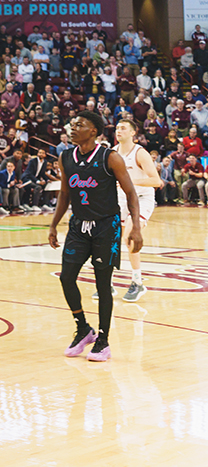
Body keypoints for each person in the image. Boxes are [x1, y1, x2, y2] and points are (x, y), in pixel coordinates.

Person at [49, 110, 142, 363]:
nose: (72, 127)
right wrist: (53, 224)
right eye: (72, 123)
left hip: (106, 227)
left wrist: (136, 227)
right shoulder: (65, 157)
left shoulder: (109, 157)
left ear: (93, 131)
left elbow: (131, 193)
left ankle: (103, 339)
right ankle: (83, 328)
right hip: (79, 226)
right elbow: (65, 195)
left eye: (79, 124)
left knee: (102, 286)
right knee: (67, 277)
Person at [113, 119, 161, 302]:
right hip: (121, 199)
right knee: (110, 237)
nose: (119, 131)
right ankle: (107, 283)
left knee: (130, 237)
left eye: (123, 128)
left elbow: (156, 181)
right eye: (117, 128)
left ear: (133, 133)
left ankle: (137, 282)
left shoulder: (140, 153)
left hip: (141, 198)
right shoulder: (113, 152)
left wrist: (129, 182)